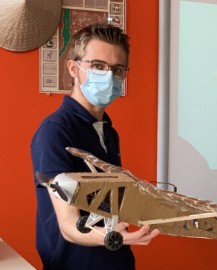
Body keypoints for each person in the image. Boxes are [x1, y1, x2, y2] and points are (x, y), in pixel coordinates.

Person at [31, 23, 160, 269]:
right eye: (98, 66)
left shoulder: (108, 132)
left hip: (115, 259)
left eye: (118, 69)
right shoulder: (54, 132)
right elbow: (69, 227)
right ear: (73, 68)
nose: (109, 76)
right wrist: (115, 237)